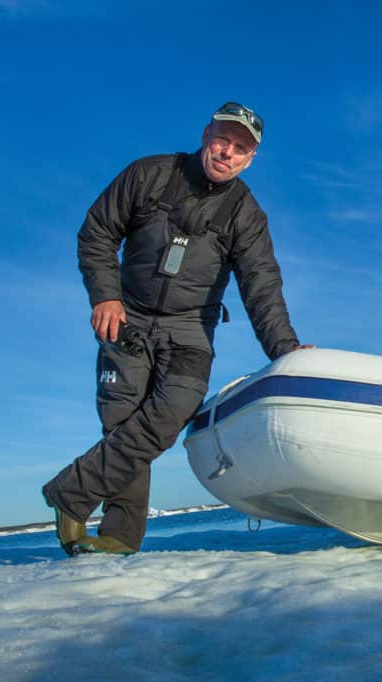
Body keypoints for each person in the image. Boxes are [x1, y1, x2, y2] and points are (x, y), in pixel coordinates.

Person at [42, 102, 308, 555]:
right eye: (223, 139)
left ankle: (72, 491)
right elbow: (98, 232)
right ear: (206, 134)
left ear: (250, 160)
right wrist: (105, 296)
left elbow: (261, 283)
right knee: (122, 421)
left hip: (191, 328)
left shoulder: (246, 213)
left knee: (170, 414)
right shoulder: (150, 174)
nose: (228, 152)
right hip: (127, 317)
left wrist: (286, 349)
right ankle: (119, 538)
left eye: (240, 148)